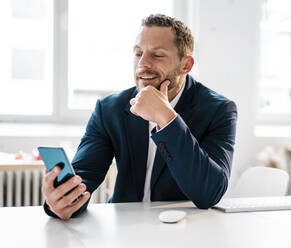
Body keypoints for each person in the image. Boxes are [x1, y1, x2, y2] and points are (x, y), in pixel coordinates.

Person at [42, 14, 237, 220]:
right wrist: (60, 201)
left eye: (157, 55)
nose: (142, 64)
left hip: (183, 229)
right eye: (138, 53)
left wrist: (166, 118)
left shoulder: (219, 110)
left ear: (186, 65)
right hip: (124, 227)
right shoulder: (110, 109)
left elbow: (209, 193)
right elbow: (83, 177)